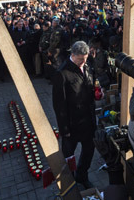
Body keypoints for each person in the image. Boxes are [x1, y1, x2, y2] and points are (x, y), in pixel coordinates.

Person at [52, 41, 96, 189]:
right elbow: (59, 105)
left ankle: (82, 176)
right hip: (72, 123)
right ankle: (68, 183)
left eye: (85, 58)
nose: (83, 62)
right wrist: (64, 129)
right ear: (72, 55)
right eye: (80, 59)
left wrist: (97, 93)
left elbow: (90, 87)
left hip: (87, 120)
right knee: (68, 156)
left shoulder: (87, 66)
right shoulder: (62, 73)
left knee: (89, 150)